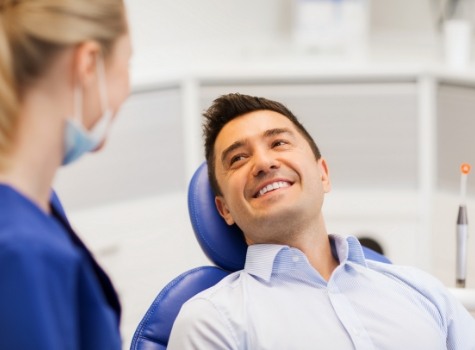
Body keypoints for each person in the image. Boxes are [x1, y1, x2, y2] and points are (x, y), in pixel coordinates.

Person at [168, 93, 475, 349]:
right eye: (238, 159)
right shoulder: (211, 321)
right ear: (225, 211)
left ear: (323, 174)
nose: (263, 163)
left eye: (278, 143)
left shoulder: (422, 291)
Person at [0, 0, 131, 349]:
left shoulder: (37, 209)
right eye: (127, 61)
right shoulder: (21, 250)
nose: (127, 88)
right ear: (88, 63)